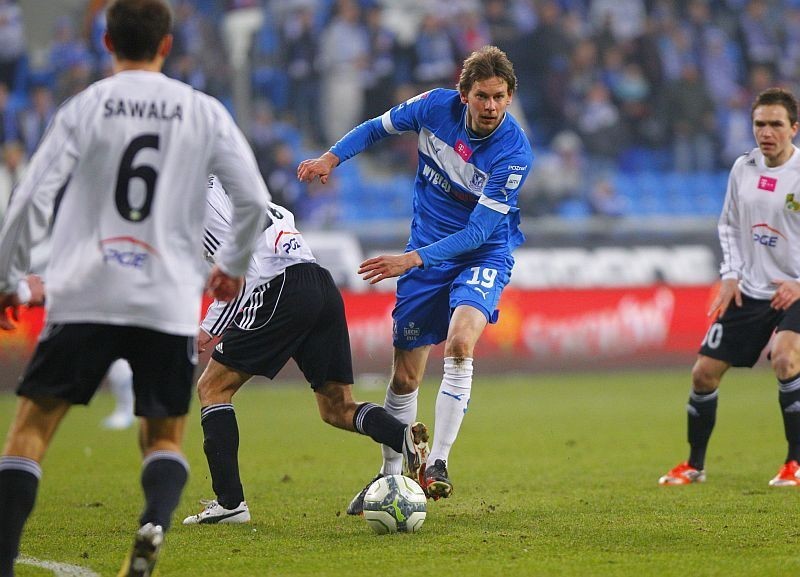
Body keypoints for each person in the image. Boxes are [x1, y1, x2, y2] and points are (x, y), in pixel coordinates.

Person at [0, 1, 269, 576]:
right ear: (167, 45)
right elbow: (250, 197)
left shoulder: (84, 108)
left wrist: (7, 280)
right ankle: (150, 531)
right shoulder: (202, 111)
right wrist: (232, 263)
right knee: (164, 439)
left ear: (106, 42)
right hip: (165, 300)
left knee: (31, 429)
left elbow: (28, 200)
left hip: (85, 292)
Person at [297, 45, 533, 514]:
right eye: (483, 97)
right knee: (405, 377)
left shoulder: (514, 152)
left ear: (510, 98)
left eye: (500, 97)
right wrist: (331, 158)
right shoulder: (432, 107)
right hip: (426, 249)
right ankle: (389, 479)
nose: (491, 107)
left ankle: (437, 464)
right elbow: (375, 128)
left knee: (461, 343)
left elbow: (479, 232)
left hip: (480, 252)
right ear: (464, 95)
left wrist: (411, 260)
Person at [181, 175, 429, 525]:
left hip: (277, 287)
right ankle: (402, 436)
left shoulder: (198, 204)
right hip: (320, 284)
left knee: (212, 388)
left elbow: (236, 270)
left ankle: (230, 503)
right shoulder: (245, 192)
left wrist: (208, 328)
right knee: (336, 407)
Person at [659, 87, 800, 487]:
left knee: (787, 360)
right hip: (752, 288)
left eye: (775, 124)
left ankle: (795, 463)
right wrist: (730, 274)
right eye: (759, 123)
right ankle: (695, 465)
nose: (766, 132)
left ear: (794, 128)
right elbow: (728, 226)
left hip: (795, 290)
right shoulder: (744, 168)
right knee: (703, 374)